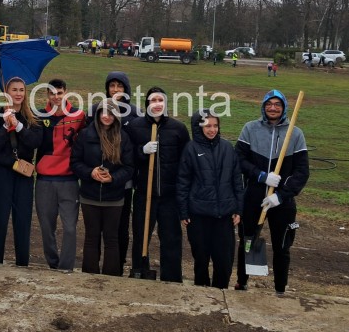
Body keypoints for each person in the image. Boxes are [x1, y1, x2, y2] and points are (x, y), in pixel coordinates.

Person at [234, 89, 309, 295]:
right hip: (253, 196)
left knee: (282, 246)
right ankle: (242, 281)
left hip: (281, 202)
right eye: (269, 104)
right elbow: (238, 160)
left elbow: (302, 172)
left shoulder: (296, 133)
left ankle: (280, 288)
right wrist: (261, 176)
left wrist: (281, 195)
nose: (273, 108)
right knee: (247, 241)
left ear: (284, 108)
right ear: (263, 106)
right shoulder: (250, 128)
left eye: (277, 104)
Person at [128, 87, 190, 282]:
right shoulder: (135, 127)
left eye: (160, 100)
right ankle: (140, 271)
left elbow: (185, 163)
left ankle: (171, 277)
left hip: (169, 196)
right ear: (147, 104)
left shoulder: (178, 129)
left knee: (171, 239)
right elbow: (127, 157)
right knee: (141, 236)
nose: (157, 104)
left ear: (165, 104)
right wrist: (141, 151)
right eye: (153, 100)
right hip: (144, 193)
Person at [177, 109, 243, 289]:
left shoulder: (228, 148)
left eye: (215, 125)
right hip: (198, 215)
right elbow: (183, 182)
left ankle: (220, 292)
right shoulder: (190, 149)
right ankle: (201, 291)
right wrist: (183, 211)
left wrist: (238, 209)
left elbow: (237, 180)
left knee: (224, 260)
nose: (211, 129)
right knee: (201, 258)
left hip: (224, 215)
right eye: (207, 126)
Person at [71, 98, 134, 275]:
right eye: (103, 112)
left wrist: (113, 178)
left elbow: (129, 168)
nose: (107, 116)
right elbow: (75, 162)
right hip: (89, 196)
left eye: (111, 113)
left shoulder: (123, 137)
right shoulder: (85, 135)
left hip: (114, 198)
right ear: (98, 114)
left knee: (111, 239)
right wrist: (90, 172)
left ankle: (111, 277)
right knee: (91, 238)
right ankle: (89, 275)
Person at [0, 77, 43, 266]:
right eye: (14, 90)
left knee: (22, 220)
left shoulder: (32, 117)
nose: (18, 93)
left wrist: (17, 126)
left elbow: (34, 142)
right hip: (2, 174)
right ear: (6, 93)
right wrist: (5, 125)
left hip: (24, 175)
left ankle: (22, 263)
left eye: (21, 90)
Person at [35, 78, 86, 271]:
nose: (56, 97)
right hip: (44, 180)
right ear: (47, 95)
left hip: (69, 180)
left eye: (59, 93)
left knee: (70, 228)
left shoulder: (78, 115)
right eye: (52, 93)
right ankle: (53, 263)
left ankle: (66, 267)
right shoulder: (38, 115)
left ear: (66, 92)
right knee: (47, 228)